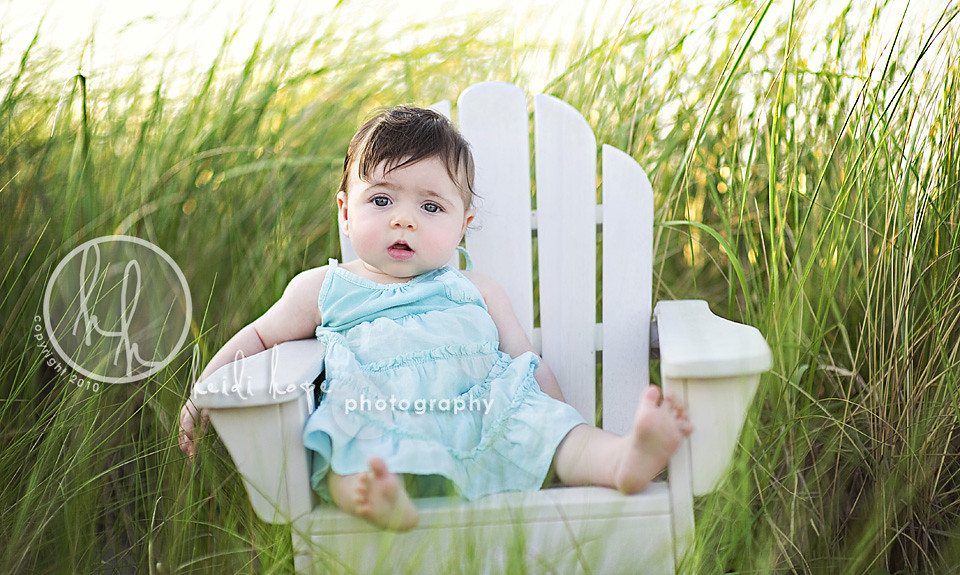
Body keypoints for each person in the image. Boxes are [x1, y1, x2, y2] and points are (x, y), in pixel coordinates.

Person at [179, 105, 692, 531]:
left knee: (545, 428)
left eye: (431, 207)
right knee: (340, 447)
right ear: (345, 211)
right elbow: (260, 336)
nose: (403, 218)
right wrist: (204, 393)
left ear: (463, 226)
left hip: (485, 411)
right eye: (381, 199)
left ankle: (623, 460)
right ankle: (377, 499)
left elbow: (526, 362)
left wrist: (560, 419)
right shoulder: (324, 288)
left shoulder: (476, 290)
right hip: (378, 412)